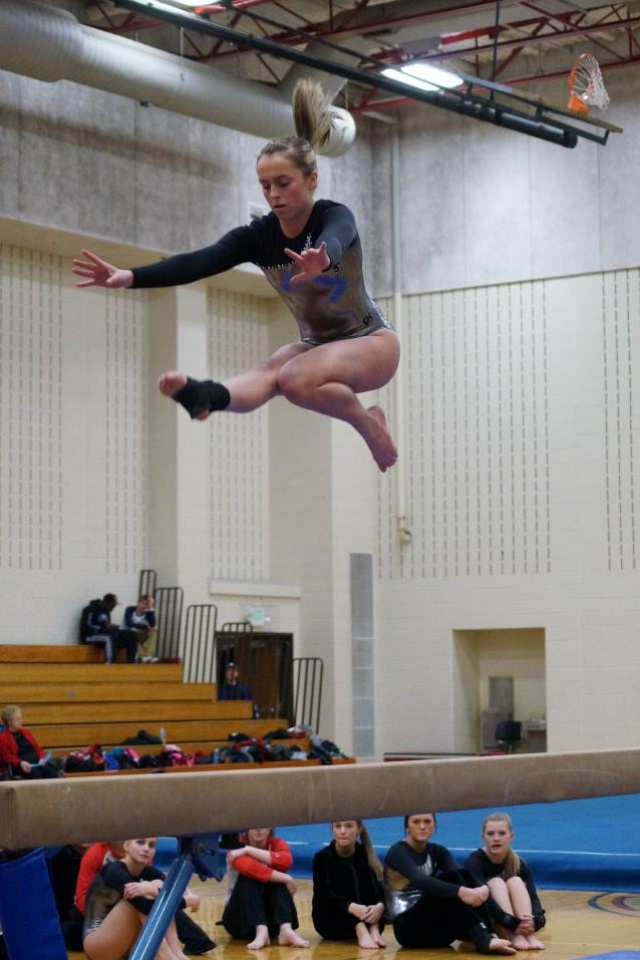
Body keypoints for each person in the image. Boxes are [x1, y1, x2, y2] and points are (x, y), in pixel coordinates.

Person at [72, 79, 400, 473]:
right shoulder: (259, 237)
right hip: (319, 345)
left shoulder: (332, 215)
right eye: (265, 186)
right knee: (271, 371)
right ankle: (206, 396)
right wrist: (129, 276)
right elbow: (201, 261)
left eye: (284, 183)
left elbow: (337, 236)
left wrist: (323, 258)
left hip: (371, 342)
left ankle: (369, 426)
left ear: (311, 180)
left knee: (294, 377)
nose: (274, 194)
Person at [384, 813, 516, 955]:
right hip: (408, 931)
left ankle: (490, 934)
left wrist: (483, 890)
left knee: (464, 876)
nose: (422, 826)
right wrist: (461, 892)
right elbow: (421, 881)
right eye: (416, 822)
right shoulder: (397, 851)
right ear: (407, 827)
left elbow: (465, 875)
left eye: (427, 821)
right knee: (450, 881)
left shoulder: (438, 851)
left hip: (441, 934)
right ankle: (483, 937)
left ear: (434, 826)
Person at [76, 840, 215, 957]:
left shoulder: (147, 871)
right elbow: (145, 907)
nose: (146, 849)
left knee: (157, 887)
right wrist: (187, 901)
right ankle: (168, 956)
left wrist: (159, 889)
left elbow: (177, 890)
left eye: (151, 845)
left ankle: (177, 954)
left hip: (125, 942)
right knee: (145, 892)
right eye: (140, 842)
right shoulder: (113, 870)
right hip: (98, 945)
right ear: (126, 846)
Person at [465, 813, 546, 951]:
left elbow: (533, 898)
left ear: (511, 836)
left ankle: (528, 934)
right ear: (483, 837)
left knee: (515, 881)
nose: (496, 838)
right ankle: (516, 935)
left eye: (502, 833)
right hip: (485, 921)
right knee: (496, 883)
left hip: (516, 924)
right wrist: (512, 924)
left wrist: (535, 921)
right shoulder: (474, 862)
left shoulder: (518, 863)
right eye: (490, 834)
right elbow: (486, 903)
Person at [222, 826, 309, 950]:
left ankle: (285, 929)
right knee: (252, 876)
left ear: (270, 828)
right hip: (240, 921)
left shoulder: (277, 843)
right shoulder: (236, 847)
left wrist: (248, 850)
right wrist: (287, 878)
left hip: (273, 923)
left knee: (275, 874)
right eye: (254, 825)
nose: (258, 829)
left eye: (263, 825)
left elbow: (286, 861)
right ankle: (260, 929)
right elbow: (250, 868)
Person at [312, 819, 385, 948]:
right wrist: (351, 907)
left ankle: (374, 929)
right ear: (332, 828)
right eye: (338, 826)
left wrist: (380, 907)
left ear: (359, 829)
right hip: (331, 921)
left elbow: (378, 890)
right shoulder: (322, 858)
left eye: (349, 826)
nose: (342, 831)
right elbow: (324, 894)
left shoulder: (364, 854)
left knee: (364, 871)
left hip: (369, 919)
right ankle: (360, 929)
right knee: (346, 872)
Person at [0, 704, 61, 779]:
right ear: (9, 722)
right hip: (20, 765)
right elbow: (7, 757)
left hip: (36, 761)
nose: (21, 721)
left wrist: (41, 758)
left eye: (21, 718)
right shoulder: (2, 737)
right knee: (36, 774)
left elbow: (38, 749)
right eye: (18, 719)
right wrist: (20, 763)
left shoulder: (26, 732)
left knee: (51, 772)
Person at [79, 593, 139, 664]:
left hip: (106, 633)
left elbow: (107, 626)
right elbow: (86, 626)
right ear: (107, 603)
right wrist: (103, 627)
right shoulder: (90, 609)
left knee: (131, 634)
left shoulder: (106, 611)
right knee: (109, 637)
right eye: (113, 605)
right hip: (90, 635)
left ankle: (132, 662)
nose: (114, 607)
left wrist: (114, 627)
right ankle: (109, 663)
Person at [123, 595, 158, 663]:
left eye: (147, 604)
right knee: (133, 635)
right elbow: (129, 624)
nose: (144, 606)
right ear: (138, 603)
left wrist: (151, 607)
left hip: (139, 634)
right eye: (142, 603)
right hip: (126, 635)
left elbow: (152, 625)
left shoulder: (148, 613)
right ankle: (143, 656)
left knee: (153, 631)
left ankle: (148, 655)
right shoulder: (130, 609)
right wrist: (145, 627)